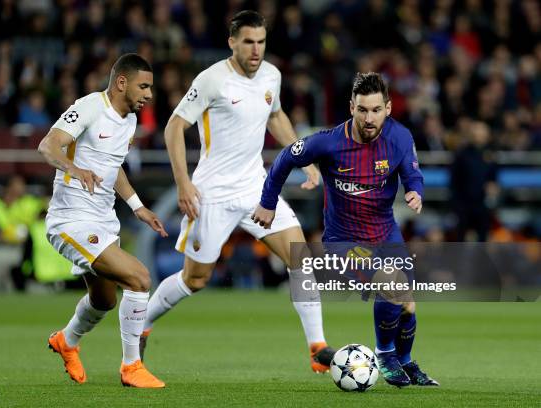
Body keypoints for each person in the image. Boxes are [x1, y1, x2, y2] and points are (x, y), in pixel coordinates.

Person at [142, 10, 337, 373]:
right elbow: (173, 127)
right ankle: (142, 323)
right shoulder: (212, 79)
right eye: (248, 41)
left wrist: (303, 156)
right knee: (195, 280)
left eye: (261, 42)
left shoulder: (271, 75)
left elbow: (275, 115)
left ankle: (317, 347)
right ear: (232, 42)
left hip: (255, 189)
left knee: (300, 257)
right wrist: (184, 183)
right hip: (212, 193)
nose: (255, 50)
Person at [252, 72, 439, 387]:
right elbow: (285, 159)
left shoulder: (401, 137)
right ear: (351, 107)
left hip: (386, 233)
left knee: (407, 302)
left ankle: (406, 364)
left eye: (376, 110)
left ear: (388, 108)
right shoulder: (328, 142)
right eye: (363, 110)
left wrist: (414, 190)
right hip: (344, 240)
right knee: (392, 285)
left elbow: (412, 172)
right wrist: (268, 203)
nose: (369, 118)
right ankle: (385, 356)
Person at [37, 53, 168, 388]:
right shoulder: (90, 107)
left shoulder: (129, 119)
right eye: (144, 86)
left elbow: (114, 166)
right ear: (121, 82)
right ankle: (131, 366)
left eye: (150, 87)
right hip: (71, 220)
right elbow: (48, 145)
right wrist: (73, 168)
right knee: (139, 278)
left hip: (103, 219)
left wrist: (137, 205)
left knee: (104, 301)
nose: (149, 94)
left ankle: (66, 341)